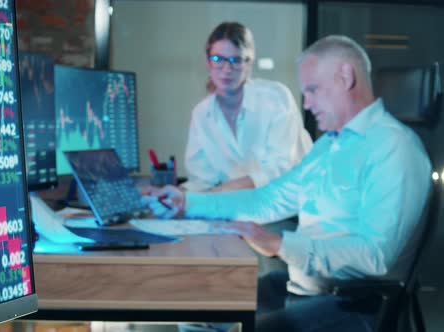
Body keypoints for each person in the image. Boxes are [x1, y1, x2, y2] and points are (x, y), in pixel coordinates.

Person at [146, 35, 432, 331]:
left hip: (356, 307)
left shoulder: (395, 148)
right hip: (305, 290)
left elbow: (375, 256)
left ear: (345, 77)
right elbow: (267, 200)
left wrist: (280, 243)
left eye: (312, 90)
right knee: (200, 310)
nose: (306, 104)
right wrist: (188, 203)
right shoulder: (328, 146)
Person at [182, 22, 312, 192]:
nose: (226, 69)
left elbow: (280, 170)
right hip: (238, 206)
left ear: (249, 63)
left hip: (293, 206)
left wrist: (219, 192)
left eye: (236, 60)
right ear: (208, 62)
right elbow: (201, 180)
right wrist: (175, 196)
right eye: (218, 59)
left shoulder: (275, 98)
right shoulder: (201, 114)